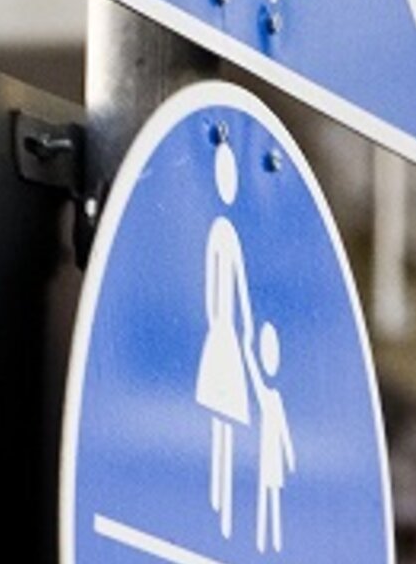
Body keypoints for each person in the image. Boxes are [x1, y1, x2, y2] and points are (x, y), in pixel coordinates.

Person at [195, 139, 253, 539]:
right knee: (221, 418)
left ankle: (222, 510)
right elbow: (236, 293)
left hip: (222, 333)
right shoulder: (222, 233)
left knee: (224, 418)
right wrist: (243, 331)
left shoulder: (224, 231)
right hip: (222, 334)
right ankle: (218, 507)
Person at [246, 322, 297, 553]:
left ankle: (273, 543)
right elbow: (255, 383)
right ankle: (262, 540)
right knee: (264, 496)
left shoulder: (275, 398)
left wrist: (289, 457)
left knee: (273, 496)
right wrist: (247, 353)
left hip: (272, 456)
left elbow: (284, 431)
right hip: (264, 454)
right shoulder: (267, 396)